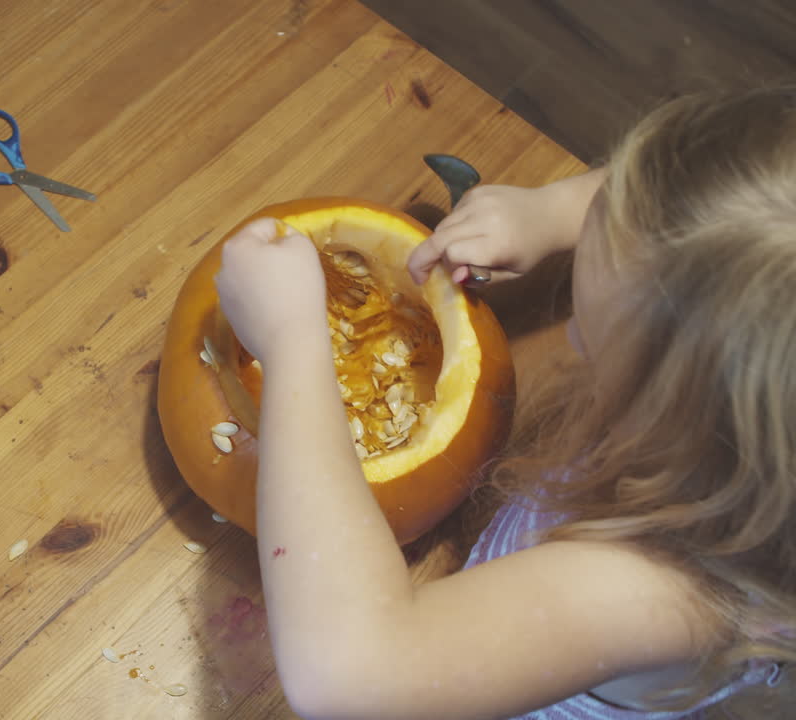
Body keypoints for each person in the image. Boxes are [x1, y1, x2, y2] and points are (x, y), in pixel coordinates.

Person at [212, 86, 795, 719]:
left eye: (595, 346)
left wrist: (296, 342)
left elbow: (352, 673)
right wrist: (556, 210)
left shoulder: (663, 590)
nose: (570, 335)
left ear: (713, 444)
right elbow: (719, 208)